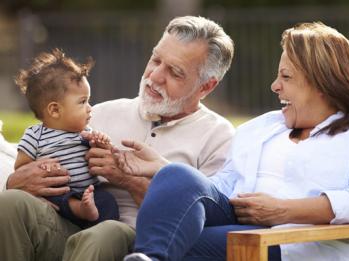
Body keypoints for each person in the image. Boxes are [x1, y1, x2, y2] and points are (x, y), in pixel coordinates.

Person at [119, 22, 349, 261]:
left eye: (286, 77)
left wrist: (283, 211)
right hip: (241, 221)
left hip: (303, 245)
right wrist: (166, 172)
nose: (275, 86)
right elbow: (225, 185)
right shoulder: (263, 127)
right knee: (176, 175)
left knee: (179, 243)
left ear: (324, 83)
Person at [0, 15, 235, 261]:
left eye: (175, 72)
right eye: (155, 59)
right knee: (10, 203)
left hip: (138, 244)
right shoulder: (97, 114)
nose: (154, 76)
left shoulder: (219, 138)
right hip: (71, 228)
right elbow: (37, 154)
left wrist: (128, 179)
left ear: (206, 86)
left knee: (106, 234)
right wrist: (20, 180)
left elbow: (202, 223)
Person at [14, 49, 119, 228]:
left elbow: (99, 152)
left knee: (107, 201)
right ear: (55, 110)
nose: (89, 108)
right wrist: (41, 167)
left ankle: (98, 230)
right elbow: (21, 169)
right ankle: (80, 209)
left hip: (90, 191)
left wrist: (101, 142)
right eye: (82, 101)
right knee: (55, 197)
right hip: (60, 195)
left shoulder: (84, 131)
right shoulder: (35, 136)